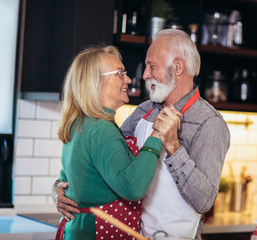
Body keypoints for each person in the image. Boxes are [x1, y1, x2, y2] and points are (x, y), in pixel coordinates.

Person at [54, 29, 230, 239]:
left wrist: (173, 145)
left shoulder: (208, 123)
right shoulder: (143, 111)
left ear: (177, 67)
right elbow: (102, 162)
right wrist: (60, 189)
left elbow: (204, 202)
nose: (144, 75)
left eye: (151, 66)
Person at [54, 45, 165, 240]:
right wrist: (157, 136)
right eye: (120, 74)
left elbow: (66, 181)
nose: (128, 80)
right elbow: (132, 187)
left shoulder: (79, 124)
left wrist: (56, 189)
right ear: (95, 83)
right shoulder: (100, 129)